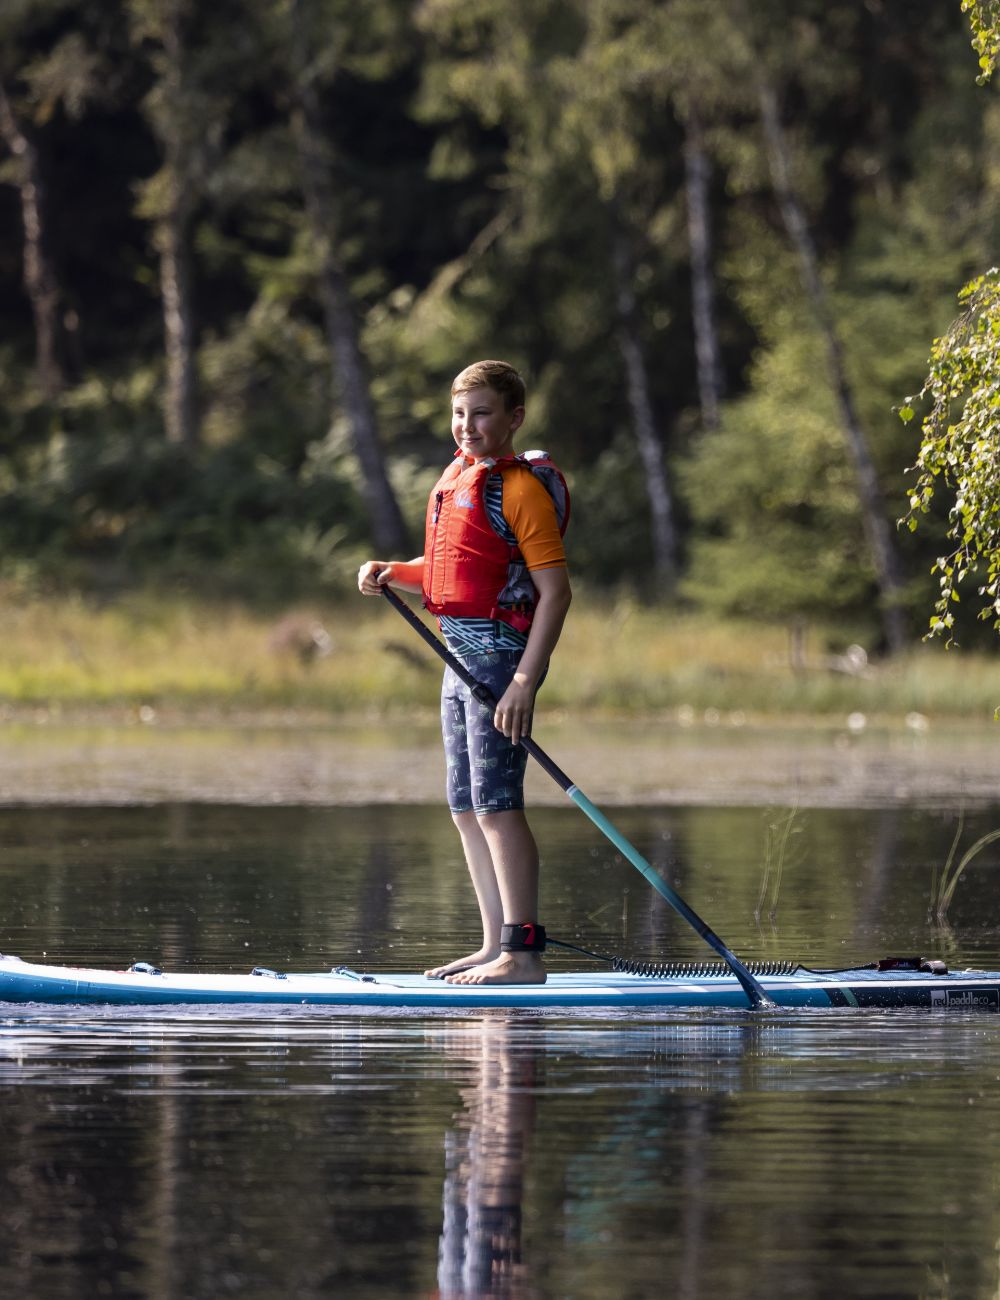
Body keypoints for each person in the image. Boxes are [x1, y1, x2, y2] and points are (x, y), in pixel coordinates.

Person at [357, 359, 572, 985]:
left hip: (503, 662)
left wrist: (525, 683)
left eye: (481, 414)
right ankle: (492, 945)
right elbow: (454, 568)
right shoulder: (460, 479)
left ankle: (523, 955)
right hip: (458, 660)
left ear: (514, 418)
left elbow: (555, 593)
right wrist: (393, 570)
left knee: (499, 805)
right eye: (459, 414)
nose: (467, 427)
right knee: (465, 806)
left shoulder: (522, 490)